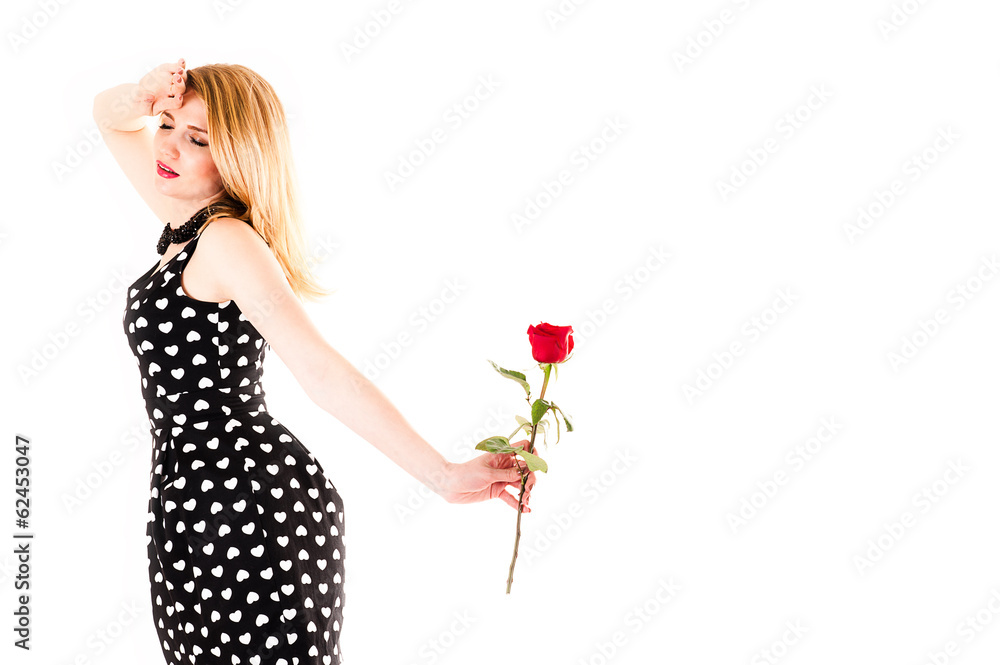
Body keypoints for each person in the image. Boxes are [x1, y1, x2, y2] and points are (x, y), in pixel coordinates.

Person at [93, 58, 536, 665]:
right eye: (166, 124)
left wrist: (443, 474)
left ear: (236, 157)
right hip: (188, 499)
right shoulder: (185, 223)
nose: (166, 146)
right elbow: (108, 117)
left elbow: (321, 371)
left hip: (246, 503)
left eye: (198, 139)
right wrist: (147, 95)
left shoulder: (225, 240)